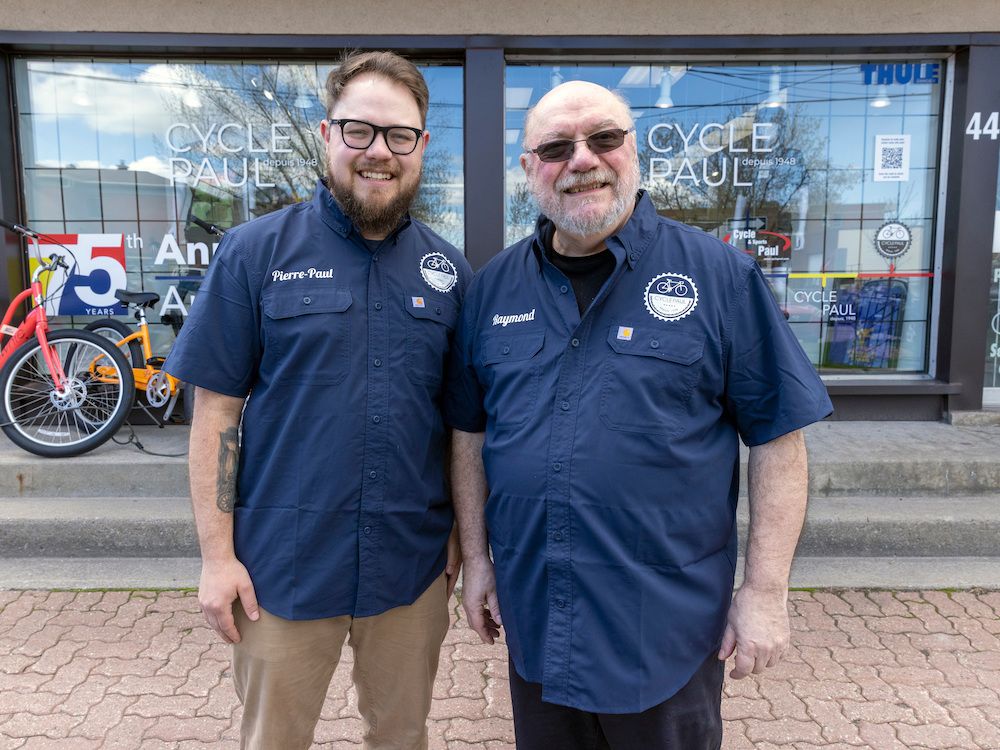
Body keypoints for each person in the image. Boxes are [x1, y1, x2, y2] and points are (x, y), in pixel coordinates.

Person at [445, 80, 833, 749]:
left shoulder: (719, 278)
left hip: (664, 633)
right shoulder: (493, 289)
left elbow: (778, 438)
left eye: (603, 138)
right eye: (556, 147)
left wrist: (765, 591)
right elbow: (471, 434)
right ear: (528, 169)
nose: (582, 160)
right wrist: (476, 558)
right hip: (538, 622)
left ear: (634, 149)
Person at [164, 50, 472, 750]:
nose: (378, 152)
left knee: (402, 737)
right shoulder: (253, 253)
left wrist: (463, 539)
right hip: (281, 567)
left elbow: (460, 427)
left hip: (410, 568)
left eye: (400, 136)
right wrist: (216, 557)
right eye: (359, 130)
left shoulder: (449, 272)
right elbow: (215, 414)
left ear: (421, 147)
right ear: (328, 134)